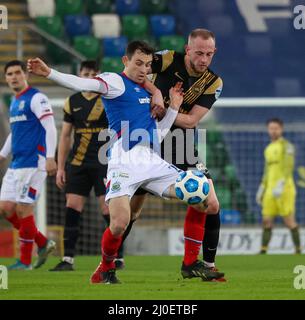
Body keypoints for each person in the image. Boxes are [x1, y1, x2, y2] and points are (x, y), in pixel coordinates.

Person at [27, 40, 225, 284]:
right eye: (138, 63)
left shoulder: (147, 93)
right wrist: (49, 73)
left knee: (202, 196)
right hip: (124, 163)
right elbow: (84, 83)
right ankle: (105, 269)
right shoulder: (115, 82)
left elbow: (158, 135)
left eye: (147, 65)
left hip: (152, 161)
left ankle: (190, 263)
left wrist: (172, 107)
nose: (143, 69)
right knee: (119, 223)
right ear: (125, 61)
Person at [126, 29, 226, 280]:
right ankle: (111, 261)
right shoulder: (168, 59)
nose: (204, 59)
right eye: (199, 53)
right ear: (187, 49)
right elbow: (133, 70)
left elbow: (191, 121)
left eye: (209, 54)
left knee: (211, 203)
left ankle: (203, 265)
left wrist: (165, 111)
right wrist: (155, 93)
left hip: (181, 142)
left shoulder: (214, 82)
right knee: (131, 211)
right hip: (147, 140)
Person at [50, 60, 125, 271]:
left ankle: (117, 256)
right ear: (79, 73)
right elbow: (65, 136)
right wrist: (61, 167)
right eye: (85, 72)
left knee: (108, 209)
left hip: (104, 162)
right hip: (78, 163)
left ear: (98, 75)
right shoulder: (72, 101)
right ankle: (68, 260)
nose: (89, 75)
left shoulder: (107, 99)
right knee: (72, 207)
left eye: (93, 73)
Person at [0, 60, 57, 270]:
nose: (13, 77)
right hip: (17, 164)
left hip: (35, 162)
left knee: (24, 208)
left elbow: (50, 127)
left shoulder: (37, 98)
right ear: (6, 78)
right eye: (9, 74)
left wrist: (51, 157)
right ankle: (42, 243)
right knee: (6, 208)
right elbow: (15, 132)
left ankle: (24, 262)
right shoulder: (15, 102)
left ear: (26, 75)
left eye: (17, 73)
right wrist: (2, 154)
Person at [256, 118, 301, 254]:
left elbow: (289, 166)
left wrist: (281, 184)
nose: (273, 131)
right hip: (270, 189)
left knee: (289, 221)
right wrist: (262, 188)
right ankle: (263, 250)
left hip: (285, 188)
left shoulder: (287, 146)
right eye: (271, 128)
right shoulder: (268, 148)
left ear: (281, 129)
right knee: (266, 220)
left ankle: (298, 250)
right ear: (268, 130)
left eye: (276, 128)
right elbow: (266, 170)